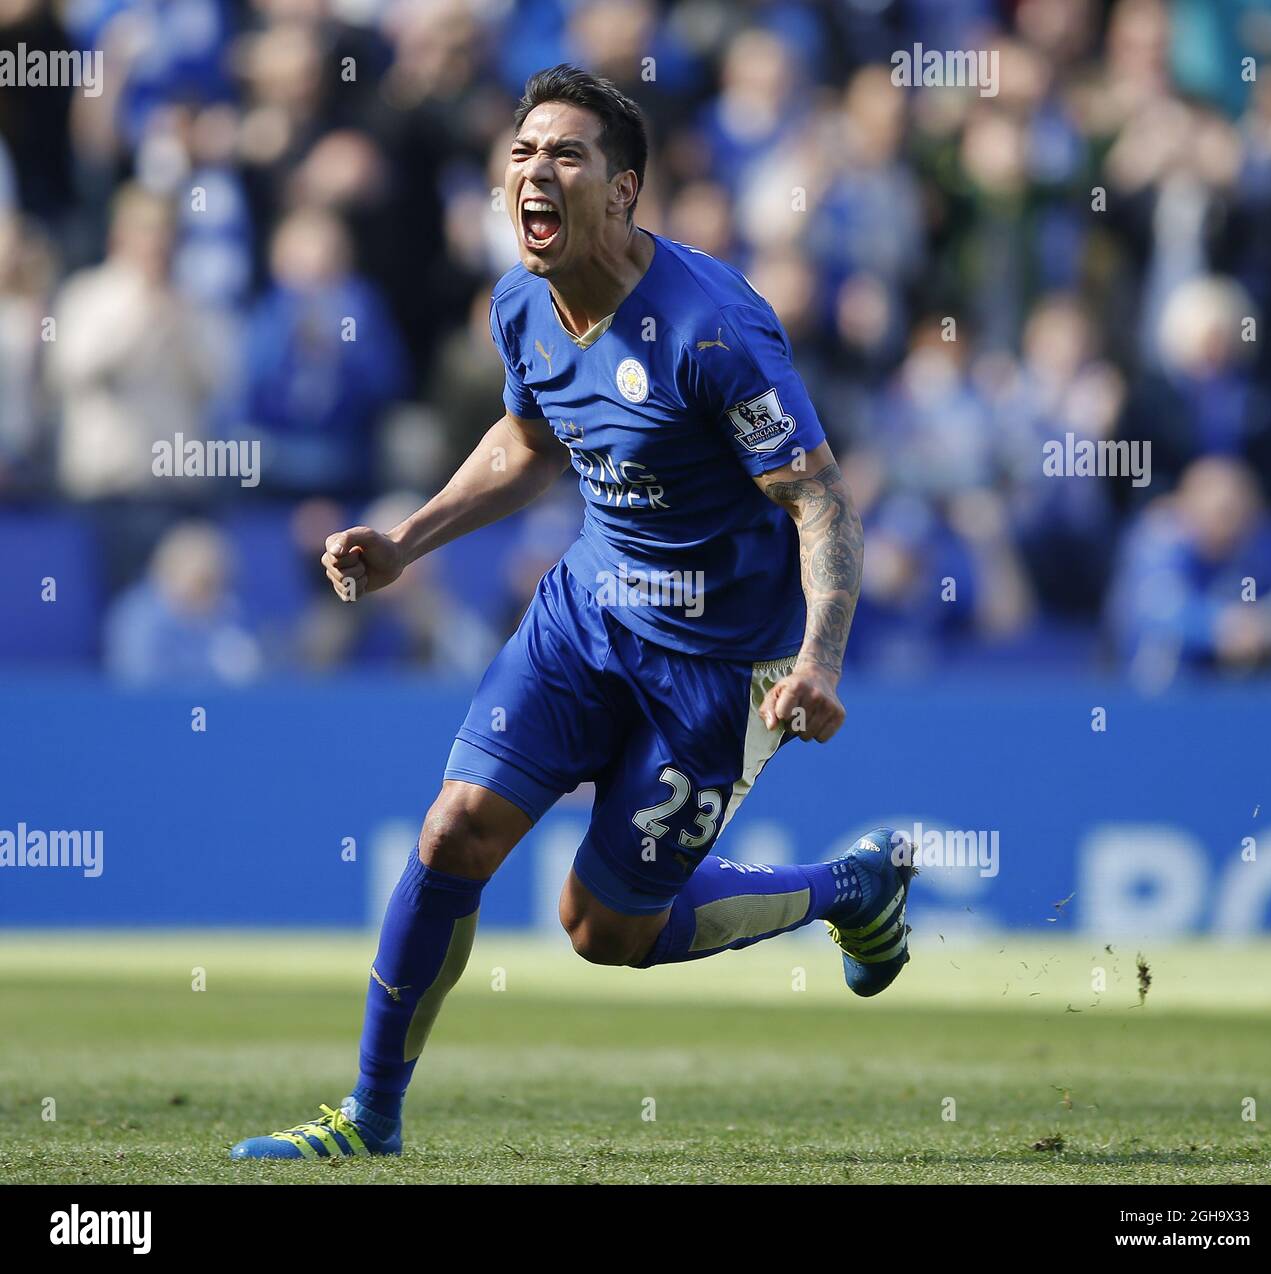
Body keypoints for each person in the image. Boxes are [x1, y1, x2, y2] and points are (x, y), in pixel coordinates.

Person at [231, 65, 915, 1161]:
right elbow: (529, 441)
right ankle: (369, 1114)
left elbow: (817, 496)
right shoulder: (518, 302)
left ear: (624, 188)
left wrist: (820, 658)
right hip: (586, 616)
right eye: (520, 153)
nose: (532, 173)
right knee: (454, 828)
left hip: (718, 660)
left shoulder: (711, 331)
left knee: (604, 930)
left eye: (564, 154)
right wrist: (407, 539)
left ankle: (851, 885)